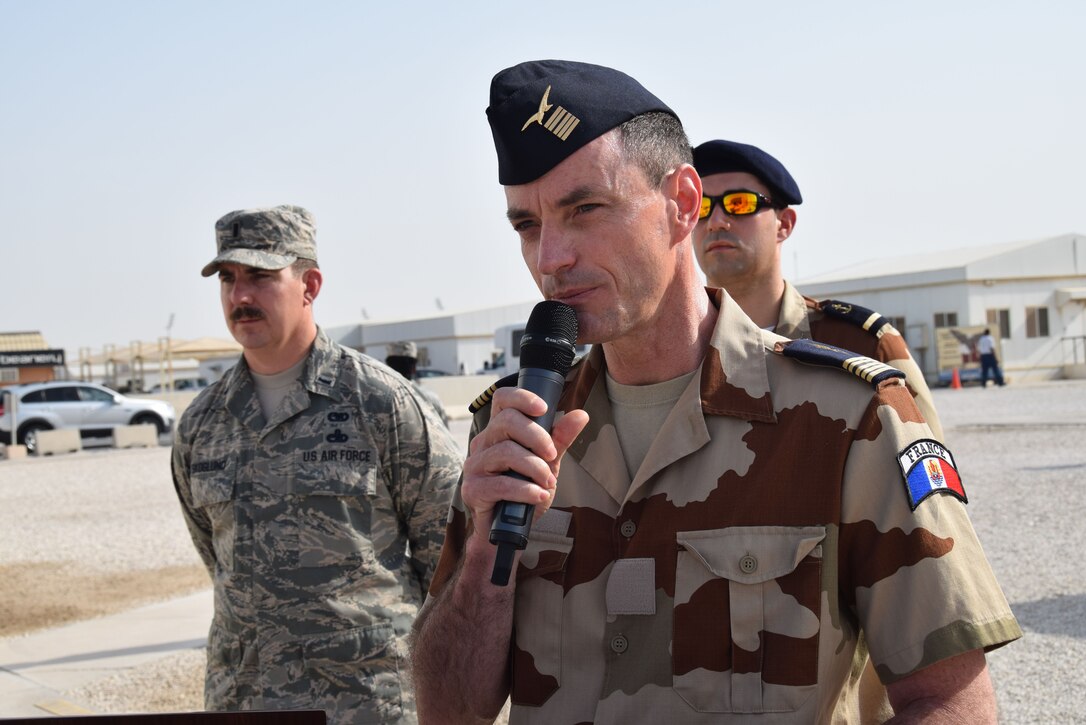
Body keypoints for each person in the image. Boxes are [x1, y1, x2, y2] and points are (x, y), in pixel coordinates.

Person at [410, 60, 1020, 723]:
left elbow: (948, 698)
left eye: (585, 208)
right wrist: (480, 563)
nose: (550, 256)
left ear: (682, 204)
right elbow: (451, 708)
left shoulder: (849, 421)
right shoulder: (517, 427)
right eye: (526, 225)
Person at [172, 204, 463, 724]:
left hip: (362, 706)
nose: (240, 296)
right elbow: (216, 557)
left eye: (261, 277)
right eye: (229, 279)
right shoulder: (201, 424)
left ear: (310, 285)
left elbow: (448, 556)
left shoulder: (384, 404)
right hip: (244, 700)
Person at [691, 139, 945, 440]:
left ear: (784, 224)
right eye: (702, 207)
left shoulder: (861, 345)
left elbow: (925, 471)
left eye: (740, 203)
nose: (716, 221)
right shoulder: (671, 350)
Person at [386, 341, 450, 426]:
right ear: (414, 368)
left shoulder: (375, 399)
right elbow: (445, 435)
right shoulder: (430, 399)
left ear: (387, 367)